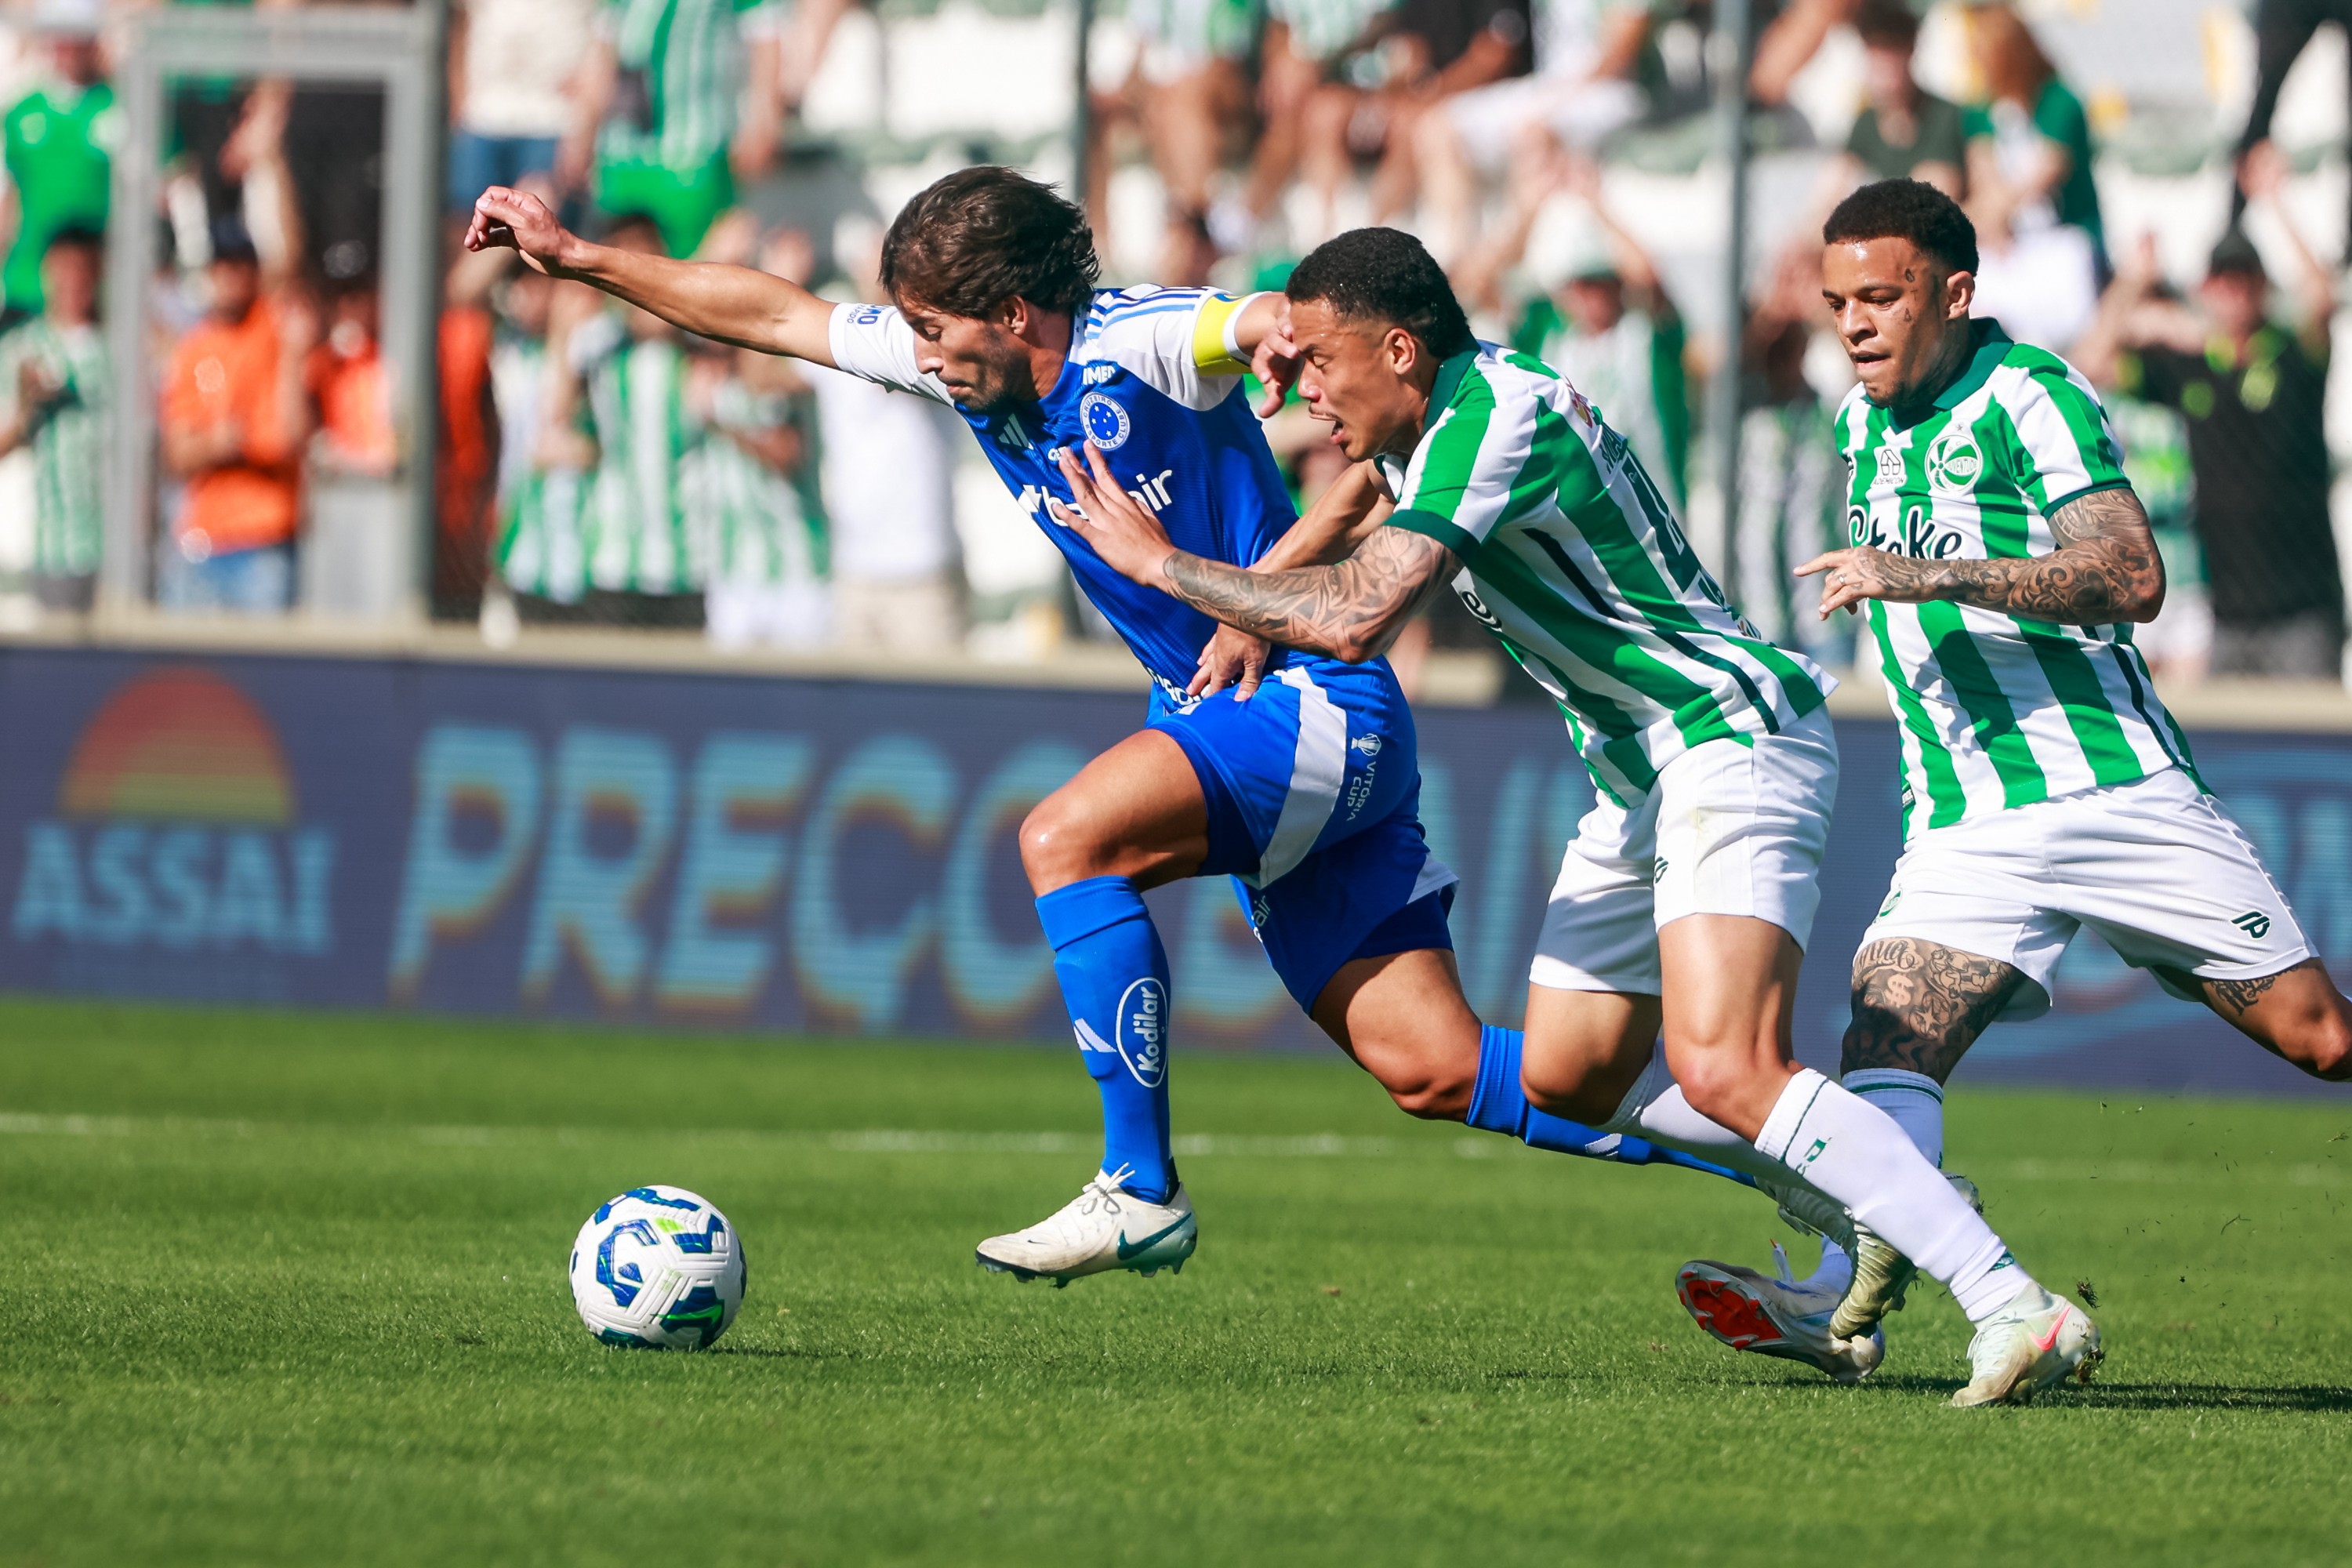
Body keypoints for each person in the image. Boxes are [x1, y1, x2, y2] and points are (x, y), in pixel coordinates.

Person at [466, 167, 1762, 1290]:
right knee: (1430, 1066)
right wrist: (579, 260)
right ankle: (1792, 1157)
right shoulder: (963, 376)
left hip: (1309, 707)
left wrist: (1267, 334)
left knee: (1064, 837)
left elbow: (1242, 323)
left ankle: (1138, 1186)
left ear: (1016, 311)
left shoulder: (1133, 340)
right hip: (1242, 713)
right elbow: (772, 312)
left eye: (933, 328)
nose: (916, 353)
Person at [1052, 223, 2099, 1406]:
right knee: (1563, 1076)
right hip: (1633, 768)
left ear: (1397, 350)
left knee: (1722, 1065)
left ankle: (2010, 1299)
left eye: (1320, 365)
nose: (1299, 393)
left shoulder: (1496, 419)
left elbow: (1356, 613)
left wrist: (1162, 569)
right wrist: (1252, 606)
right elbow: (1354, 498)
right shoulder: (1432, 407)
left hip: (1725, 731)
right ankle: (1877, 1181)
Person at [1686, 177, 2352, 1381]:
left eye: (1881, 298)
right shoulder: (1861, 423)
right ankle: (1845, 1308)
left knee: (2321, 1039)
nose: (1856, 324)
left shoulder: (2030, 396)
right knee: (1886, 1042)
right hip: (1962, 817)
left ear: (1954, 291)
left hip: (2113, 794)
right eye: (1839, 302)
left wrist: (1927, 578)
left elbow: (2129, 575)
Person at [2076, 153, 2340, 682]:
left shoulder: (2290, 357)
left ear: (2263, 287)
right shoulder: (2191, 367)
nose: (2235, 291)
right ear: (2206, 289)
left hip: (2303, 608)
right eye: (2224, 280)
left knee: (2313, 757)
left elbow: (2322, 298)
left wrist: (2276, 203)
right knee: (2228, 756)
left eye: (2245, 280)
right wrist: (2133, 279)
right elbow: (2090, 360)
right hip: (2227, 613)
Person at [797, 220, 965, 655]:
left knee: (935, 711)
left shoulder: (934, 343)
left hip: (923, 568)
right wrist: (787, 279)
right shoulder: (846, 342)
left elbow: (900, 369)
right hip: (855, 568)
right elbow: (762, 375)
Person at [1414, 0, 1652, 268]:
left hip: (1614, 91)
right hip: (1552, 89)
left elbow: (1622, 52)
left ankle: (1514, 264)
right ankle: (1450, 264)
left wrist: (1555, 100)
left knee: (1533, 132)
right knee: (1436, 127)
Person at [157, 219, 315, 615]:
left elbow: (284, 438)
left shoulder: (273, 329)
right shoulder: (194, 349)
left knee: (264, 672)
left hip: (264, 538)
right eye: (222, 266)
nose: (230, 276)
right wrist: (216, 443)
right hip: (203, 541)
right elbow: (177, 455)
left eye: (241, 265)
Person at [557, 0, 785, 258]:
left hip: (697, 151)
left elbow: (765, 35)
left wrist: (765, 123)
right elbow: (604, 48)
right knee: (619, 268)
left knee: (696, 269)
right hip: (622, 151)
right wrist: (583, 132)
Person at [1958, 2, 2099, 350]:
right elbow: (1984, 178)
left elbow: (2042, 178)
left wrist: (1991, 214)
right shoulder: (1980, 112)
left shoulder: (2059, 103)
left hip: (2062, 239)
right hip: (2007, 243)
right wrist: (1987, 221)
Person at [0, 225, 107, 612]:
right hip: (52, 546)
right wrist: (28, 408)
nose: (73, 281)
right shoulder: (21, 348)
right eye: (64, 270)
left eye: (83, 270)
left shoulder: (119, 348)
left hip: (115, 547)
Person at [1, 0, 113, 332]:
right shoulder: (21, 113)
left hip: (95, 293)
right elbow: (9, 200)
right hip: (29, 285)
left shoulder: (118, 105)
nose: (66, 47)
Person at [446, 0, 597, 211]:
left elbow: (601, 37)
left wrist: (583, 125)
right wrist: (459, 101)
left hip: (551, 122)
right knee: (470, 223)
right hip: (482, 117)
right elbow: (461, 25)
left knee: (538, 220)